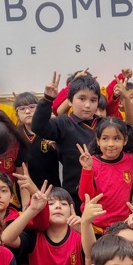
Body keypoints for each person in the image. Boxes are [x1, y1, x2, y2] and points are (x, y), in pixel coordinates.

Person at [2, 187, 83, 265]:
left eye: (63, 203)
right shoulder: (34, 237)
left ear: (72, 210)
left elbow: (95, 255)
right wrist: (33, 210)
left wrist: (85, 228)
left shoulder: (80, 236)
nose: (58, 206)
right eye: (51, 204)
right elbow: (6, 238)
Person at [31, 72, 102, 211]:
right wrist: (47, 99)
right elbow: (38, 127)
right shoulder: (63, 123)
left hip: (103, 193)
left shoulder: (104, 124)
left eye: (93, 100)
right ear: (69, 101)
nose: (88, 105)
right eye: (82, 98)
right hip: (74, 195)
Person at [77, 117, 133, 233]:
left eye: (116, 138)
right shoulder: (92, 162)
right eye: (105, 139)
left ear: (125, 140)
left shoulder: (130, 159)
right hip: (97, 226)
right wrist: (87, 169)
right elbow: (85, 197)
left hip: (124, 225)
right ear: (98, 141)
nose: (111, 144)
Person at [14, 92, 61, 189]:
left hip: (52, 187)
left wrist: (57, 147)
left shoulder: (50, 129)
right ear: (17, 114)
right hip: (26, 190)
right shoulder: (15, 135)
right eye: (22, 109)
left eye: (32, 107)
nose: (27, 111)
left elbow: (65, 158)